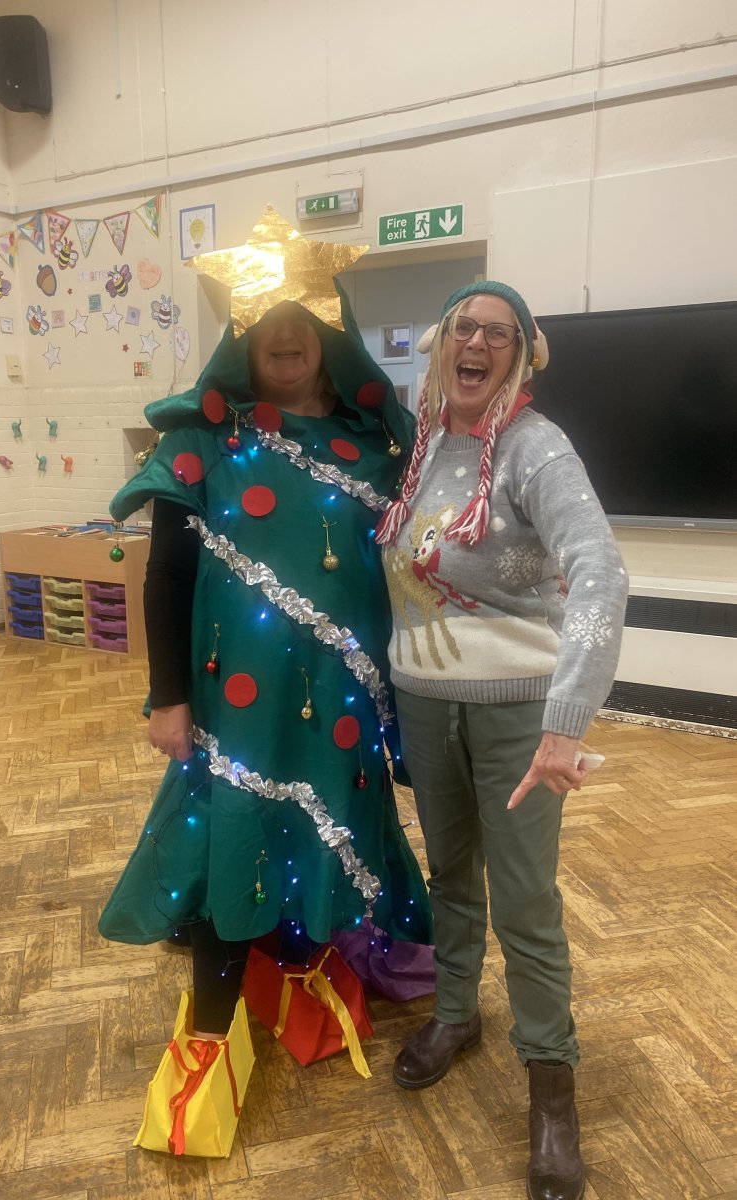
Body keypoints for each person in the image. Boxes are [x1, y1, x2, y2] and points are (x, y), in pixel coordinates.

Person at [98, 209, 432, 1150]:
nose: (286, 338)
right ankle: (205, 1048)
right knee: (236, 848)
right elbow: (166, 576)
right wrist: (170, 697)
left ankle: (297, 974)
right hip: (233, 708)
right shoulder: (206, 441)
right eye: (266, 324)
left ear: (331, 331)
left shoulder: (378, 448)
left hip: (340, 705)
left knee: (320, 836)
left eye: (303, 322)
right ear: (242, 339)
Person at [376, 281, 628, 1200]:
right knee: (450, 873)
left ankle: (551, 1085)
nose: (476, 344)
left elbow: (600, 572)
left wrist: (565, 724)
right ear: (442, 344)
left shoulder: (534, 447)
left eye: (498, 333)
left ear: (522, 354)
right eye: (463, 328)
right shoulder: (426, 442)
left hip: (518, 712)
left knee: (524, 900)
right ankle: (456, 1013)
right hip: (425, 699)